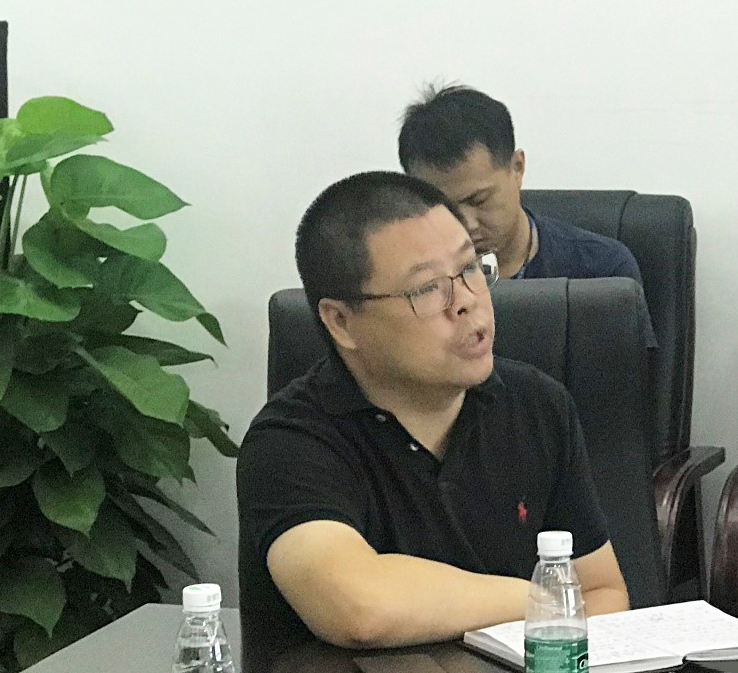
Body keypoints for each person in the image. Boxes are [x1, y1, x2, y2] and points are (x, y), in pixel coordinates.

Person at [237, 171, 629, 670]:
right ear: (341, 321)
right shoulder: (289, 442)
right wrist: (546, 600)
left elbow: (603, 594)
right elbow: (359, 606)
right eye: (426, 289)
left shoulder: (537, 404)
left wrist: (560, 605)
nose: (466, 300)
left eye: (470, 267)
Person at [398, 84, 657, 347]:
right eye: (446, 209)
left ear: (517, 168)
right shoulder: (402, 281)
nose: (466, 224)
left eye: (479, 200)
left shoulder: (602, 270)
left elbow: (627, 371)